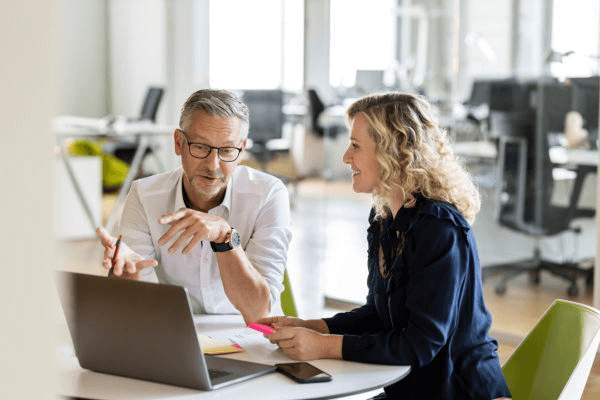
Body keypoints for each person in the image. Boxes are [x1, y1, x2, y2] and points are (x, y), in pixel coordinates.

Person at [259, 92, 511, 399]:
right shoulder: (384, 220)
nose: (345, 158)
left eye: (355, 146)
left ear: (392, 152)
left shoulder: (439, 228)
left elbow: (422, 343)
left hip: (458, 391)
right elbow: (379, 316)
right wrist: (313, 327)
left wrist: (324, 346)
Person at [97, 89, 292, 324]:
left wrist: (225, 238)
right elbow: (125, 307)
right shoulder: (144, 195)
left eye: (227, 150)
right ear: (179, 143)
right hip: (183, 331)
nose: (213, 165)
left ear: (241, 150)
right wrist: (127, 270)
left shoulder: (268, 194)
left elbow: (259, 313)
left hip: (252, 333)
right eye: (200, 147)